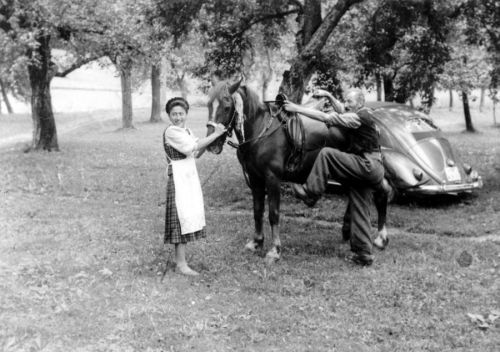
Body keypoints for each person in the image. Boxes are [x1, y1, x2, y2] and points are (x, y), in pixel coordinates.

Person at [283, 89, 384, 266]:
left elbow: (327, 118)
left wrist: (296, 108)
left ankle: (310, 192)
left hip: (368, 165)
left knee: (327, 154)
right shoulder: (359, 113)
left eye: (349, 102)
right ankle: (364, 254)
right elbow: (340, 110)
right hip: (372, 168)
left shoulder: (357, 117)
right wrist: (329, 95)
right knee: (359, 207)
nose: (345, 104)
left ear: (359, 103)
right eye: (345, 100)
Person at [163, 97, 226, 275]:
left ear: (186, 114)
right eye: (174, 114)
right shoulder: (171, 132)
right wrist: (215, 135)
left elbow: (197, 152)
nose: (178, 117)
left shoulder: (186, 131)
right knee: (179, 218)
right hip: (178, 176)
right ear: (169, 116)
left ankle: (181, 262)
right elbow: (192, 147)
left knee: (187, 215)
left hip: (188, 175)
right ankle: (181, 264)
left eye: (181, 114)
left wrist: (212, 135)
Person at [207, 70, 245, 137]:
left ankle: (240, 135)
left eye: (212, 78)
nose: (211, 81)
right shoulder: (213, 89)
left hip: (235, 101)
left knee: (238, 121)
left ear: (217, 77)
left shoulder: (225, 85)